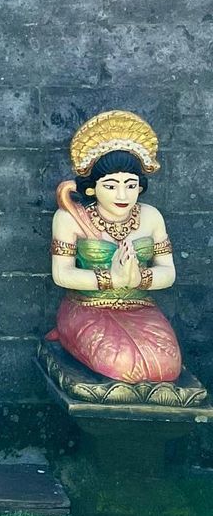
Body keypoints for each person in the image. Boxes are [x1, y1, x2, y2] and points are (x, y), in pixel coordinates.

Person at [49, 110, 180, 384]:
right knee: (123, 363)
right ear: (91, 189)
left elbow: (168, 272)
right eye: (110, 186)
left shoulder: (151, 217)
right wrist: (113, 279)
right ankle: (67, 335)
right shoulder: (70, 218)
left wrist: (139, 278)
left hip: (139, 306)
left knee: (165, 365)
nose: (123, 195)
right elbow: (62, 274)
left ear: (140, 187)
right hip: (86, 306)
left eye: (131, 185)